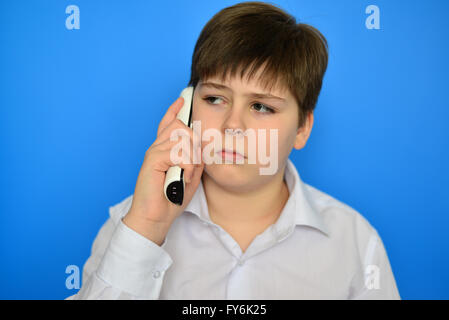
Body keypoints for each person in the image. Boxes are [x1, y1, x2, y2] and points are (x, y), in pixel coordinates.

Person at [66, 1, 400, 300]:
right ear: (187, 108)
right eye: (214, 99)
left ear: (302, 128)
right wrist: (147, 227)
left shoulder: (355, 242)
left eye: (261, 106)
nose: (232, 126)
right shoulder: (130, 223)